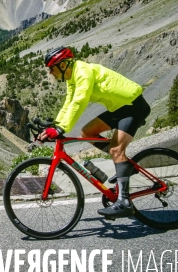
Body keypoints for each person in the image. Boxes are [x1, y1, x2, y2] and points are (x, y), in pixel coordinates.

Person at [37, 46, 151, 218]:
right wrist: (55, 124)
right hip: (118, 108)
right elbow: (69, 102)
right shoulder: (71, 78)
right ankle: (123, 164)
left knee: (115, 150)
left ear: (62, 65)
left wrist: (62, 128)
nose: (51, 73)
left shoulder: (83, 71)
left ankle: (124, 202)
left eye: (52, 68)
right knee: (87, 132)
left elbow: (79, 100)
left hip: (133, 106)